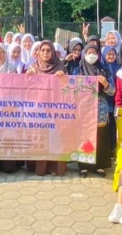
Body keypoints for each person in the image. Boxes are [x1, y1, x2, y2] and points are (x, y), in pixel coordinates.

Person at [26, 41, 68, 176]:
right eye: (42, 50)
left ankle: (54, 167)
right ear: (38, 52)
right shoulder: (33, 67)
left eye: (48, 50)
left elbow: (67, 89)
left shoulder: (60, 67)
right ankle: (38, 167)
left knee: (54, 137)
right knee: (39, 137)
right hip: (38, 110)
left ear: (53, 52)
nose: (45, 53)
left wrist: (63, 78)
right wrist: (27, 77)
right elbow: (26, 89)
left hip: (55, 109)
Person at [74, 44, 115, 176]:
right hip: (83, 109)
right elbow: (70, 90)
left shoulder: (104, 70)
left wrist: (106, 84)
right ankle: (84, 165)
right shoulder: (78, 70)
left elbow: (112, 92)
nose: (91, 55)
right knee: (84, 136)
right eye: (89, 52)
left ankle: (99, 165)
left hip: (100, 109)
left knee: (100, 136)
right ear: (84, 54)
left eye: (94, 52)